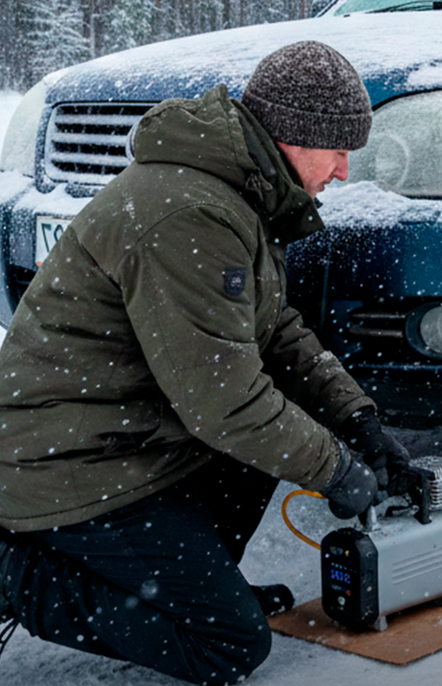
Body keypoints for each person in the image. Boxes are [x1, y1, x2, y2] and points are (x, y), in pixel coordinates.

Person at [0, 41, 408, 684]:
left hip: (128, 435)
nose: (344, 171)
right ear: (294, 136)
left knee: (272, 440)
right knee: (227, 645)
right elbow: (227, 404)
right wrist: (335, 470)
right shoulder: (193, 212)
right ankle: (14, 573)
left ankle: (196, 594)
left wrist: (358, 420)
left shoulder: (234, 193)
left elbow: (274, 334)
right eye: (338, 148)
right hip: (67, 461)